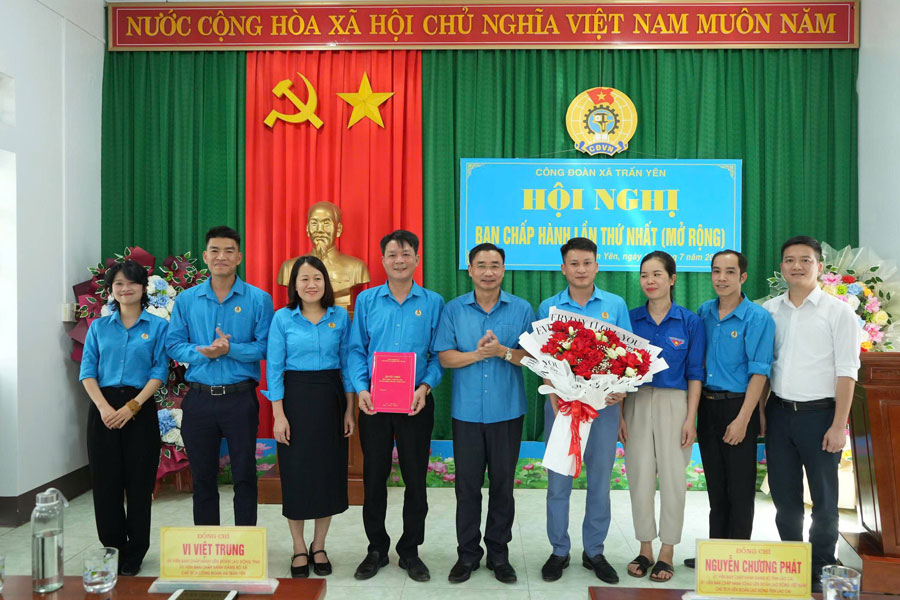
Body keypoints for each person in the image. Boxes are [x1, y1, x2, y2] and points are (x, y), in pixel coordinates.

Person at [762, 236, 860, 593]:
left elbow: (847, 372)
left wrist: (839, 425)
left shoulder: (839, 313)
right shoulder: (769, 311)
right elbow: (763, 368)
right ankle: (792, 560)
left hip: (821, 417)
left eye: (805, 260)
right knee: (784, 498)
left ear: (819, 266)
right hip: (779, 413)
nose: (797, 266)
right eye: (790, 260)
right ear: (782, 267)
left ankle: (821, 564)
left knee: (824, 499)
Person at [434, 243, 535, 585]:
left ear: (503, 270)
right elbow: (445, 357)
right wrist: (479, 355)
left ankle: (499, 555)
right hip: (467, 413)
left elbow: (533, 358)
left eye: (495, 265)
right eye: (482, 265)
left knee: (503, 487)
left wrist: (503, 351)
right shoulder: (453, 310)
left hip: (507, 412)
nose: (488, 271)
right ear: (470, 269)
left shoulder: (521, 309)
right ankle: (467, 555)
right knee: (467, 488)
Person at [347, 230, 443, 583]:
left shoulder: (433, 302)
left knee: (416, 479)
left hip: (416, 404)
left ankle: (410, 551)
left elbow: (438, 355)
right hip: (374, 405)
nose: (399, 260)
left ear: (417, 259)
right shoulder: (367, 301)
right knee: (374, 478)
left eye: (406, 254)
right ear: (383, 260)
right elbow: (356, 350)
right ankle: (376, 548)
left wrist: (426, 385)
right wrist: (361, 388)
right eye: (392, 254)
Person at [166, 225, 274, 526]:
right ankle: (207, 546)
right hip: (199, 400)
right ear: (205, 256)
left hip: (240, 399)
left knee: (244, 475)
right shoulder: (187, 301)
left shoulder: (259, 299)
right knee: (202, 478)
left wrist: (230, 349)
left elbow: (266, 347)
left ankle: (245, 546)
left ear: (239, 256)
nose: (221, 257)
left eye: (229, 251)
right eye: (215, 250)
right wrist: (204, 352)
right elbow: (173, 344)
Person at [538, 237, 631, 584]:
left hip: (603, 411)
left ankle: (595, 551)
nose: (580, 269)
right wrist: (553, 393)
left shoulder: (615, 305)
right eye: (573, 264)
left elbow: (628, 356)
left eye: (586, 263)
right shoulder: (550, 307)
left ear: (596, 265)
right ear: (563, 268)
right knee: (558, 482)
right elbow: (542, 359)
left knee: (600, 482)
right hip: (562, 409)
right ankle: (558, 550)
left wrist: (620, 390)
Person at [266, 256, 356, 578]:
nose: (311, 284)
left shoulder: (340, 318)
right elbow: (274, 370)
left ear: (325, 282)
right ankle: (298, 548)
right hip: (295, 400)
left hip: (330, 399)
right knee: (297, 476)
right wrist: (279, 415)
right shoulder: (282, 319)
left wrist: (348, 409)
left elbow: (346, 365)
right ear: (295, 286)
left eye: (316, 278)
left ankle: (319, 545)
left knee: (327, 476)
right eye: (303, 279)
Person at [618, 251, 705, 582]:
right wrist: (621, 415)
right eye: (644, 275)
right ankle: (645, 548)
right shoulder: (629, 319)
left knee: (673, 480)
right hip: (636, 401)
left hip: (675, 403)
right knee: (638, 477)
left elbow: (695, 372)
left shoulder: (690, 322)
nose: (650, 281)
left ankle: (667, 550)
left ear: (672, 279)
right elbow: (618, 372)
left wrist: (690, 418)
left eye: (657, 274)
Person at [685, 250, 774, 569]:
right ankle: (715, 556)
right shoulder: (704, 312)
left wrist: (744, 419)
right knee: (716, 486)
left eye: (729, 272)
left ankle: (736, 559)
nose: (721, 278)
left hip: (739, 407)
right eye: (716, 271)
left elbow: (759, 372)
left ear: (743, 277)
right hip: (708, 407)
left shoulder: (757, 317)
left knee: (739, 487)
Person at [79, 260, 168, 576]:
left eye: (131, 283)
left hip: (139, 409)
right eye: (118, 283)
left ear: (144, 288)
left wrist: (133, 406)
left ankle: (135, 553)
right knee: (105, 484)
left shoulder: (158, 327)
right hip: (103, 409)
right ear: (111, 290)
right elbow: (88, 371)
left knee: (139, 484)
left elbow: (160, 371)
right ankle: (113, 548)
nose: (125, 288)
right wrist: (104, 408)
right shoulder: (99, 328)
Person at [277, 201, 370, 310]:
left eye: (326, 223)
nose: (320, 230)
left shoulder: (356, 268)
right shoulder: (289, 268)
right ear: (307, 229)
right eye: (314, 223)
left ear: (338, 229)